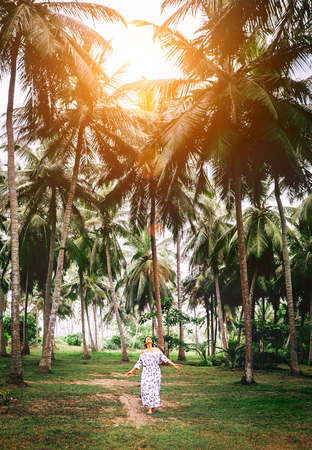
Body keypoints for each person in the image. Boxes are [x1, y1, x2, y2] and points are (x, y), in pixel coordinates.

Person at [126, 336, 181, 414]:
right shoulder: (143, 352)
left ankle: (153, 406)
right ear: (145, 342)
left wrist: (173, 364)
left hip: (155, 371)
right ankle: (149, 407)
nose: (149, 339)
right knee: (146, 388)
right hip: (146, 371)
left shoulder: (157, 350)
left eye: (150, 338)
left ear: (151, 341)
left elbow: (165, 358)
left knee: (154, 388)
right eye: (147, 339)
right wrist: (131, 371)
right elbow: (139, 362)